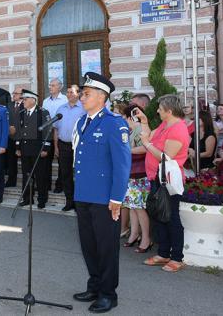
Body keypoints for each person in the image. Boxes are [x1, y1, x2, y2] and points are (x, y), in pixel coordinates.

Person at [71, 73, 130, 313]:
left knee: (106, 247)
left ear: (102, 97)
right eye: (82, 93)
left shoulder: (114, 123)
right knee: (88, 245)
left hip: (105, 198)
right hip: (83, 194)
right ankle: (94, 285)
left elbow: (122, 164)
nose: (81, 97)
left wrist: (116, 198)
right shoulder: (81, 121)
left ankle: (108, 293)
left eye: (86, 94)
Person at [138, 94, 190, 273]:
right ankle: (163, 253)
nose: (158, 110)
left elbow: (165, 158)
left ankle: (177, 257)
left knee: (172, 218)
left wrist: (146, 144)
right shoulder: (165, 124)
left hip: (167, 181)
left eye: (160, 108)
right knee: (159, 215)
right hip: (156, 178)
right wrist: (144, 122)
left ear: (169, 110)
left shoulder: (178, 129)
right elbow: (150, 136)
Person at [119, 104, 153, 254]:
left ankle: (146, 238)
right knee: (132, 207)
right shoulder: (133, 130)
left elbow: (146, 148)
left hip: (139, 174)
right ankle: (134, 234)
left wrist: (127, 150)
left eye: (123, 117)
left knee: (139, 208)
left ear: (129, 116)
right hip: (132, 173)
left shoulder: (139, 128)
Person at [15, 90, 52, 209]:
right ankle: (27, 199)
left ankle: (42, 199)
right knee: (26, 175)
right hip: (25, 150)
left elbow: (48, 131)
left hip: (38, 150)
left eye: (25, 99)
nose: (23, 101)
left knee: (40, 176)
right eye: (23, 99)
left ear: (33, 100)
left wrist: (45, 148)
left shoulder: (42, 112)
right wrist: (17, 147)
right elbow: (18, 131)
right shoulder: (21, 113)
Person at [53, 85, 86, 211]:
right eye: (67, 92)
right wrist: (56, 146)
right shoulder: (61, 109)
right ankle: (69, 201)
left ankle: (79, 202)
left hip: (79, 146)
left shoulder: (83, 109)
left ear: (78, 94)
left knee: (79, 174)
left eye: (72, 92)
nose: (69, 94)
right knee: (65, 174)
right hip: (63, 145)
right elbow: (56, 129)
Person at [42, 78, 68, 193]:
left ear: (60, 87)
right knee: (46, 160)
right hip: (48, 134)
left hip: (60, 133)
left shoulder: (65, 100)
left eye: (53, 85)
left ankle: (59, 185)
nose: (50, 87)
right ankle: (45, 184)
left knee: (61, 161)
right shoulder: (45, 101)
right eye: (49, 85)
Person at [6, 87, 23, 188]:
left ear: (21, 94)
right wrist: (8, 127)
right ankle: (11, 181)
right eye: (13, 93)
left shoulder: (26, 105)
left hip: (22, 138)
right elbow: (5, 119)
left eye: (16, 93)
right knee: (11, 161)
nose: (13, 95)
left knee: (25, 162)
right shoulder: (9, 105)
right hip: (11, 138)